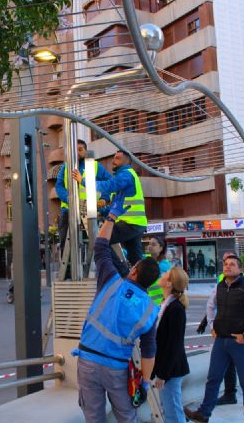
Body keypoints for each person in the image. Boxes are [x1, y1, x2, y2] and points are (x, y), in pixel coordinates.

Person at [72, 192, 160, 423]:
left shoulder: (111, 281)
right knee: (127, 417)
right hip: (118, 371)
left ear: (133, 271)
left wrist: (111, 217)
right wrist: (144, 381)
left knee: (93, 417)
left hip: (88, 362)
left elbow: (100, 247)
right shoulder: (150, 310)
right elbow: (149, 350)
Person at [184, 254, 244, 423]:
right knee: (213, 379)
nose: (228, 267)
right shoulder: (219, 287)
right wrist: (213, 326)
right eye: (225, 264)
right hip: (221, 341)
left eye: (232, 264)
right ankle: (203, 414)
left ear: (240, 269)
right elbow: (210, 306)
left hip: (240, 342)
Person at [74, 150, 147, 278]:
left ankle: (124, 274)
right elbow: (117, 207)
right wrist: (101, 210)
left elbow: (109, 185)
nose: (114, 160)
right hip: (136, 224)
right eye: (114, 157)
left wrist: (83, 181)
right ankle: (142, 284)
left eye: (118, 158)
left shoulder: (126, 174)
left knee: (100, 242)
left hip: (130, 223)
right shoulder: (125, 177)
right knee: (136, 261)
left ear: (126, 161)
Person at [56, 139, 111, 273]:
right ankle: (68, 272)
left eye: (80, 149)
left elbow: (109, 183)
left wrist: (104, 198)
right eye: (75, 150)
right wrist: (70, 200)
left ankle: (95, 270)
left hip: (89, 211)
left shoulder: (95, 166)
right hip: (69, 210)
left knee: (94, 242)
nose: (77, 152)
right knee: (66, 242)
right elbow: (59, 186)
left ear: (86, 151)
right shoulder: (66, 167)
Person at [153, 267, 190, 423]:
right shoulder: (165, 304)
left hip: (171, 370)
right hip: (166, 368)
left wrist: (163, 374)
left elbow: (174, 345)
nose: (161, 275)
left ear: (169, 283)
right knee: (169, 410)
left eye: (165, 275)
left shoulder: (175, 309)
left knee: (173, 412)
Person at [146, 235, 171, 306]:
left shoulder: (164, 265)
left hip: (158, 303)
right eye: (149, 244)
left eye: (153, 244)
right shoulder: (146, 258)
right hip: (148, 301)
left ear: (161, 248)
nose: (150, 246)